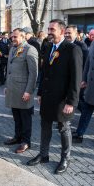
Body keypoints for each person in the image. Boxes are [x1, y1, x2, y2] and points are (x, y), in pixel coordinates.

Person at [27, 19, 82, 175]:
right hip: (47, 97)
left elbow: (76, 78)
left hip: (63, 99)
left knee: (64, 128)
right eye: (48, 29)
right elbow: (45, 73)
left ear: (62, 31)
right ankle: (44, 155)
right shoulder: (49, 46)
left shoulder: (72, 49)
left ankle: (65, 158)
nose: (49, 32)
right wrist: (40, 92)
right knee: (45, 126)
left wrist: (71, 101)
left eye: (52, 29)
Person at [4, 28, 38, 153]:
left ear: (23, 37)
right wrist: (7, 86)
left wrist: (29, 91)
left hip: (24, 91)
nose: (13, 39)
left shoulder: (30, 50)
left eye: (15, 37)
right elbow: (9, 70)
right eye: (12, 37)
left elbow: (33, 74)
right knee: (16, 117)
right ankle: (17, 137)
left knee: (25, 118)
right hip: (13, 90)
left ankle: (26, 141)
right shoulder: (13, 49)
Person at [72, 41, 94, 143]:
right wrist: (84, 79)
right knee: (86, 110)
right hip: (91, 85)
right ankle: (79, 133)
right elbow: (88, 62)